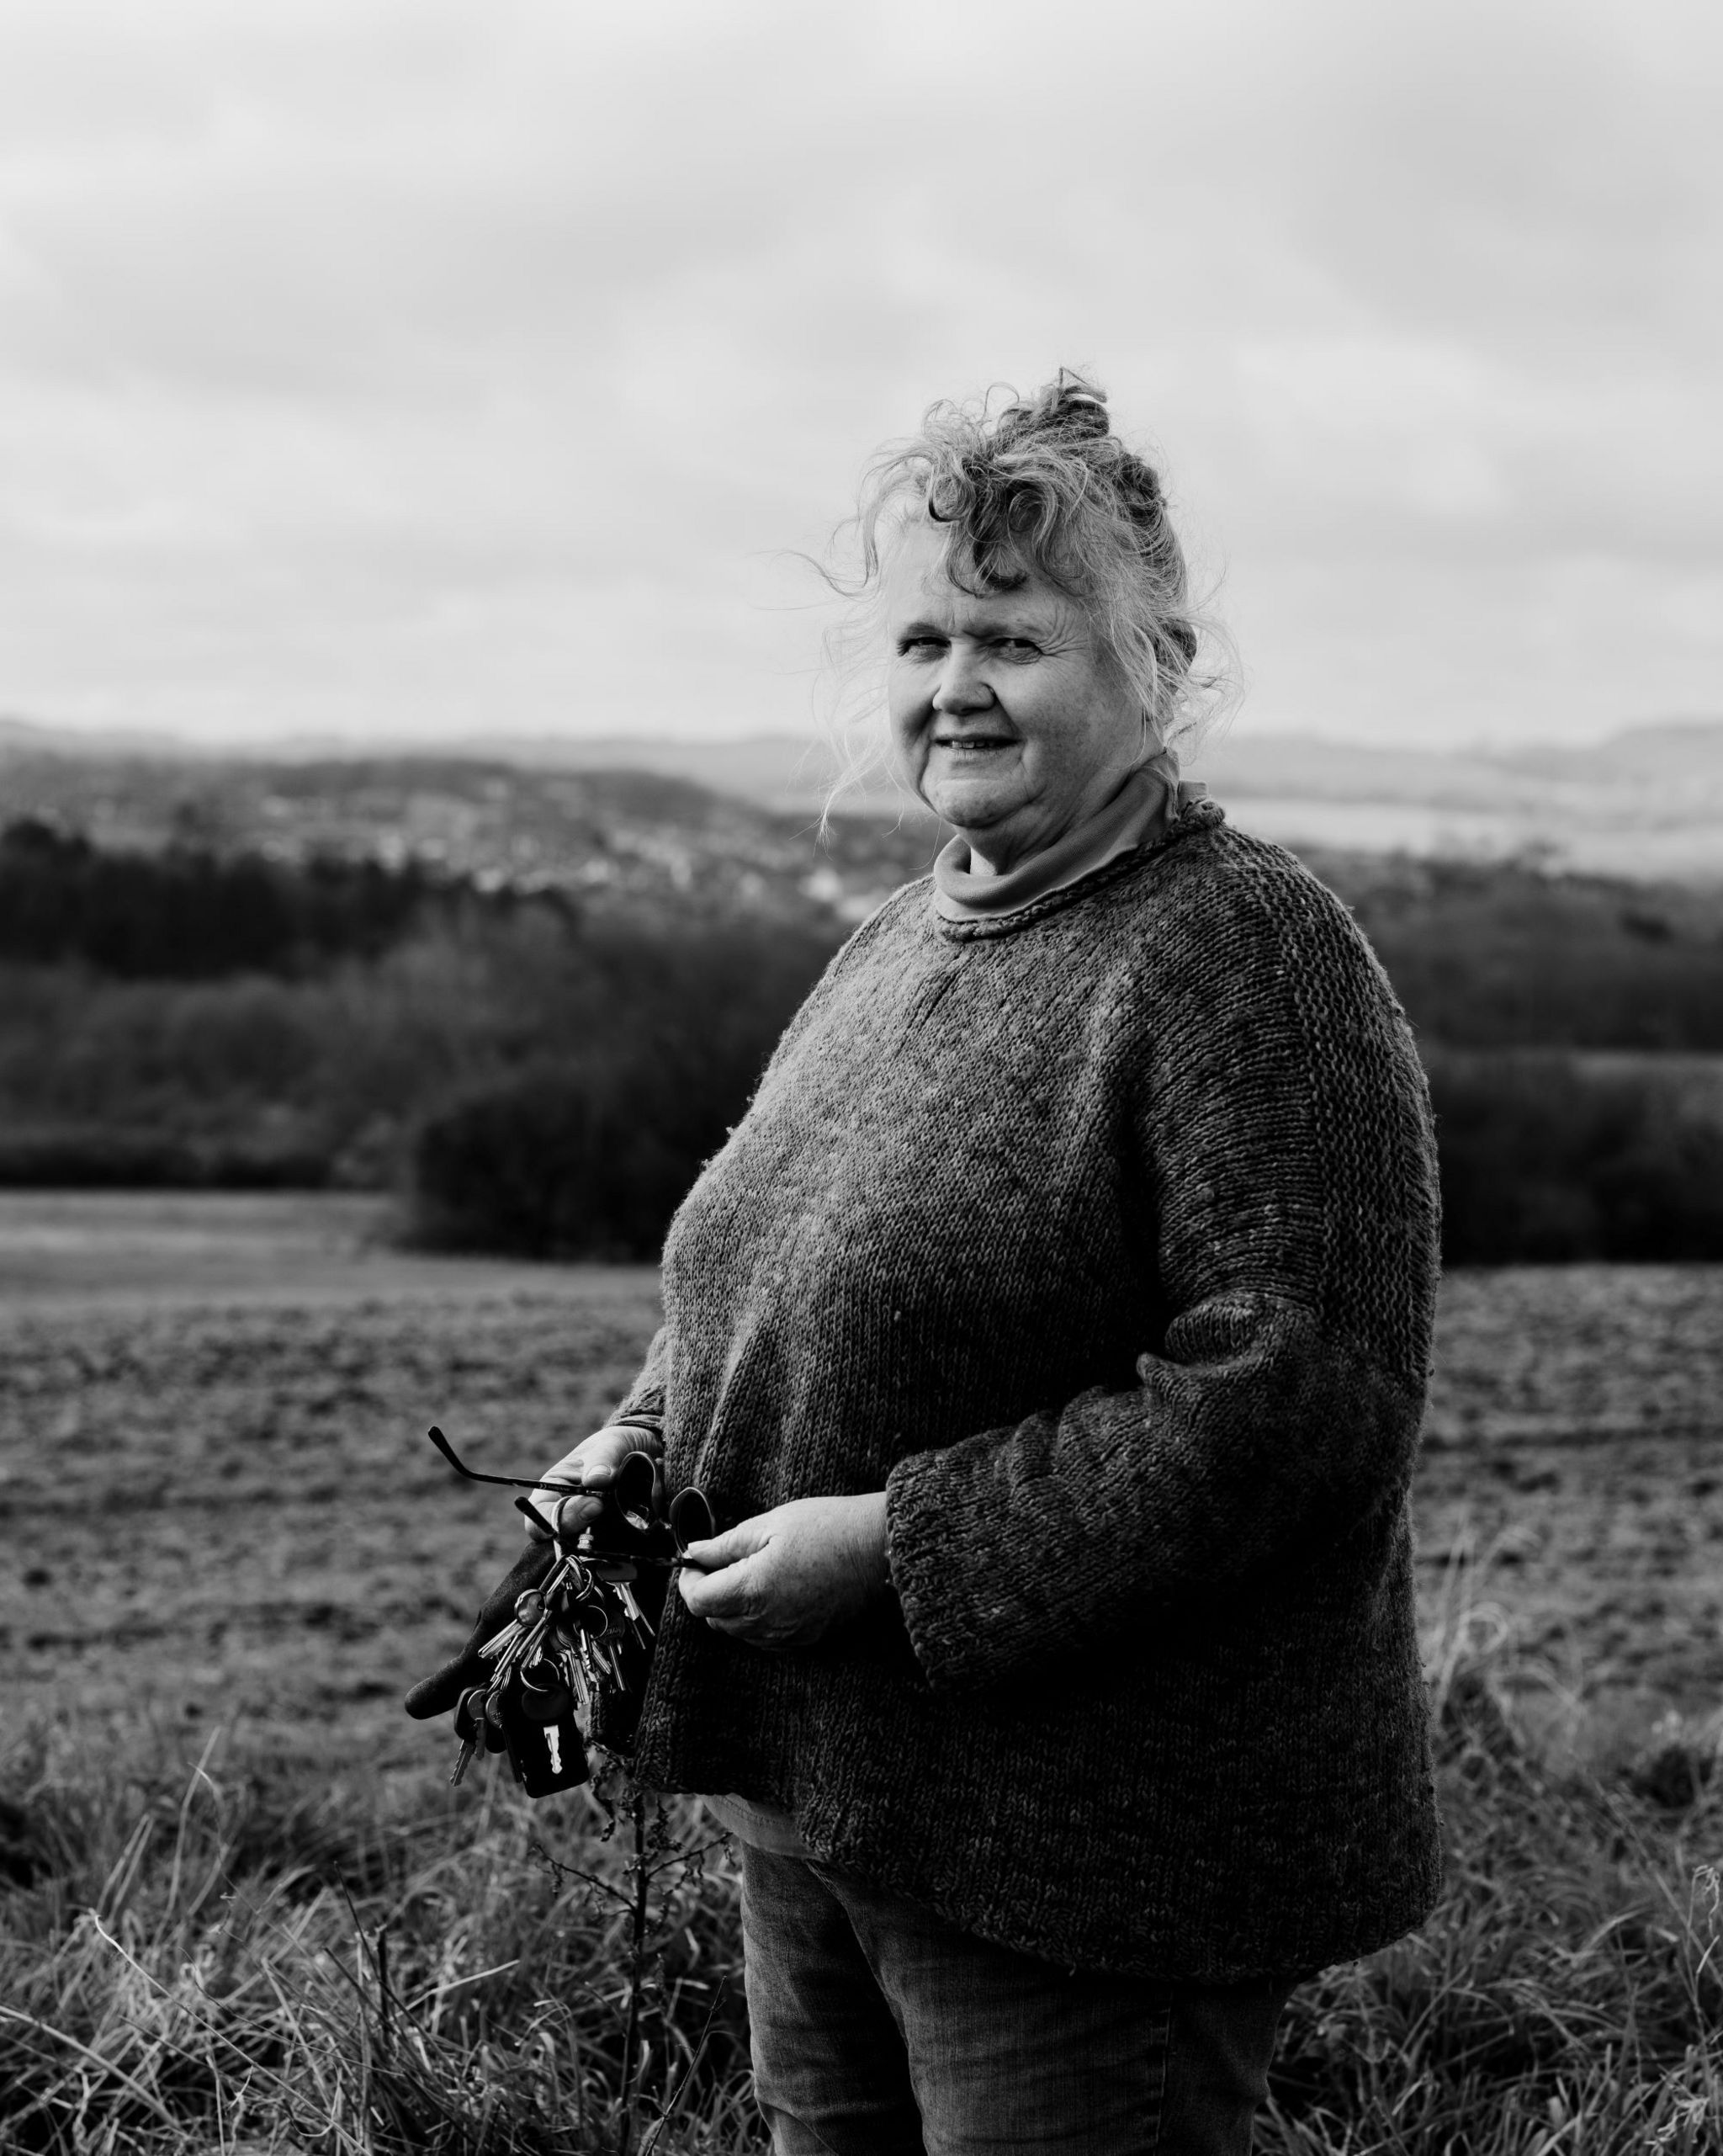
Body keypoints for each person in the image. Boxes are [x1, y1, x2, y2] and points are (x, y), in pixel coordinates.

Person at [531, 374, 1443, 2156]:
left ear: (1151, 663)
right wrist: (633, 1441)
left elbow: (1298, 1396)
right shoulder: (902, 932)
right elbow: (767, 1259)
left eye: (1014, 639)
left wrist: (891, 1550)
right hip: (828, 1803)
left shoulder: (1245, 957)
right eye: (926, 636)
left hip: (1095, 1858)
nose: (953, 685)